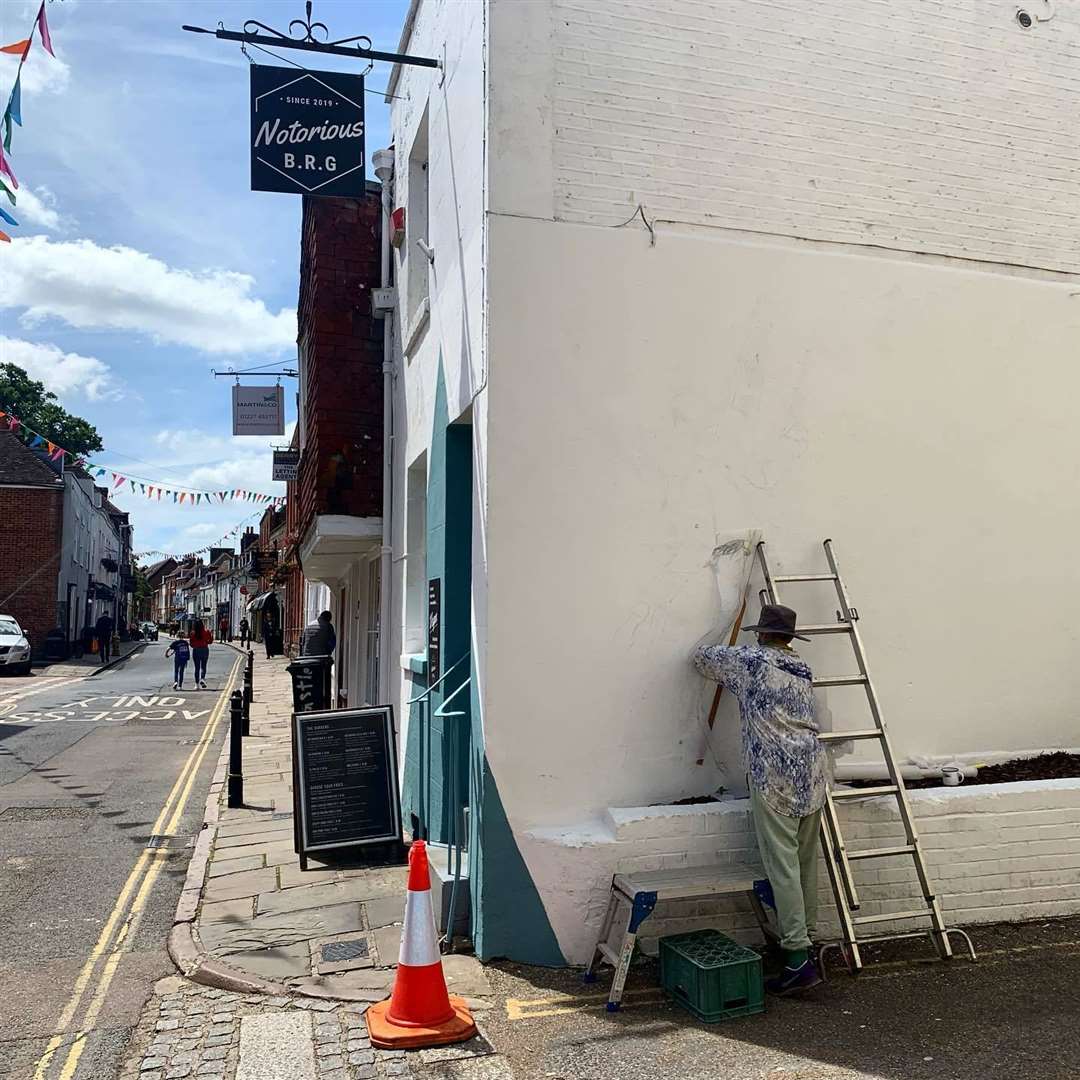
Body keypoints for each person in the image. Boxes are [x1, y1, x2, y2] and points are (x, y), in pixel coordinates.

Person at [693, 603, 828, 996]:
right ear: (789, 637)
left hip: (776, 775)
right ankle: (809, 942)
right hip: (812, 770)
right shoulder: (802, 669)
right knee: (805, 864)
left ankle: (797, 960)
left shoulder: (751, 662)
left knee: (782, 867)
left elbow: (701, 659)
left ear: (760, 633)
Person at [188, 618, 214, 689]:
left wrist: (196, 645)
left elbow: (191, 644)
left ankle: (196, 685)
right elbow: (210, 641)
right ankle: (202, 678)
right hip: (204, 650)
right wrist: (211, 635)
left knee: (197, 668)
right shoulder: (206, 632)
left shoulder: (193, 633)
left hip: (196, 650)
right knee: (203, 666)